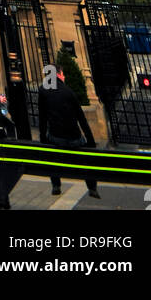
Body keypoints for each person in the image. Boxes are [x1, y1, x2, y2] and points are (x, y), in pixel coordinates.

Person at [38, 63, 100, 199]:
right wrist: (90, 140)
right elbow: (81, 118)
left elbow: (42, 118)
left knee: (51, 156)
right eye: (63, 74)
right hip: (74, 138)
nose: (64, 77)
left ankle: (56, 185)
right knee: (85, 161)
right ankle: (92, 187)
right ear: (59, 74)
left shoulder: (43, 90)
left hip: (55, 137)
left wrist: (42, 138)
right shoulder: (69, 91)